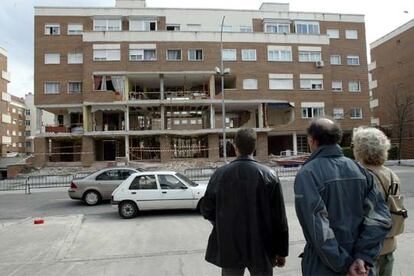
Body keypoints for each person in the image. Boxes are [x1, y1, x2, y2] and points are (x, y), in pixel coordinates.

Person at [294, 117, 391, 276]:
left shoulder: (308, 174)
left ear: (312, 141)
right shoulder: (360, 170)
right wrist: (362, 258)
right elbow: (380, 218)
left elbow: (318, 229)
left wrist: (345, 264)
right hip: (360, 268)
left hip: (325, 267)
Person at [201, 128, 289, 276]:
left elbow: (207, 210)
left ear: (235, 147)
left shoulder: (220, 174)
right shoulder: (270, 175)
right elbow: (279, 219)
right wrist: (281, 251)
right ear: (254, 147)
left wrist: (222, 224)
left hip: (230, 246)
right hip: (262, 247)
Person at [352, 127, 401, 276]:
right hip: (389, 244)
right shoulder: (392, 175)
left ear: (360, 149)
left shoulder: (359, 175)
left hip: (366, 248)